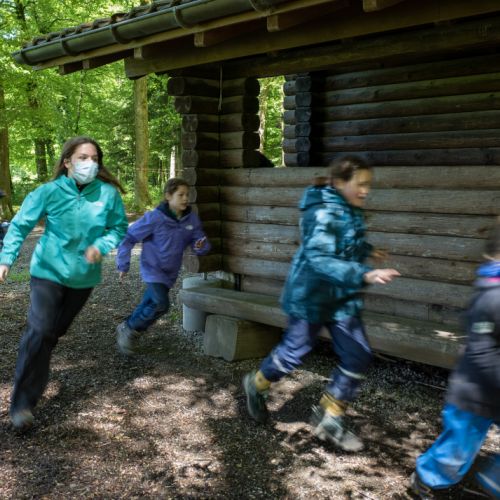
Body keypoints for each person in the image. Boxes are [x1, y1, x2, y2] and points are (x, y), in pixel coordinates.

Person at [242, 155, 400, 451]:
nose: (366, 190)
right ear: (339, 182)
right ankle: (257, 383)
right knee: (293, 352)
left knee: (358, 354)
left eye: (369, 184)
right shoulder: (322, 211)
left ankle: (329, 416)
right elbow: (319, 259)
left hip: (341, 297)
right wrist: (365, 273)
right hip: (310, 296)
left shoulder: (349, 206)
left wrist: (368, 250)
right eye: (360, 184)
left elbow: (347, 242)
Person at [0, 136, 128, 431]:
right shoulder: (49, 192)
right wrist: (6, 259)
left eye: (94, 159)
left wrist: (101, 245)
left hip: (83, 278)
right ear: (67, 161)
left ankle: (31, 376)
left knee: (51, 335)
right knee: (40, 330)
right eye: (83, 157)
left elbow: (118, 228)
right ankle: (22, 404)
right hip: (48, 271)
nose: (90, 163)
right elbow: (20, 225)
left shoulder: (107, 195)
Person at [410, 224, 500, 499]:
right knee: (458, 447)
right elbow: (482, 352)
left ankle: (493, 476)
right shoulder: (491, 297)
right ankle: (427, 480)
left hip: (492, 388)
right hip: (474, 391)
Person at [115, 177, 210, 355]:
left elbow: (199, 241)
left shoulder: (191, 220)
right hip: (153, 269)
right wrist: (123, 264)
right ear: (168, 196)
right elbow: (129, 237)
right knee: (161, 304)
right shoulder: (154, 218)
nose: (185, 198)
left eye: (187, 195)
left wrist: (201, 246)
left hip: (170, 273)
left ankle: (126, 327)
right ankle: (131, 328)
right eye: (180, 195)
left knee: (150, 302)